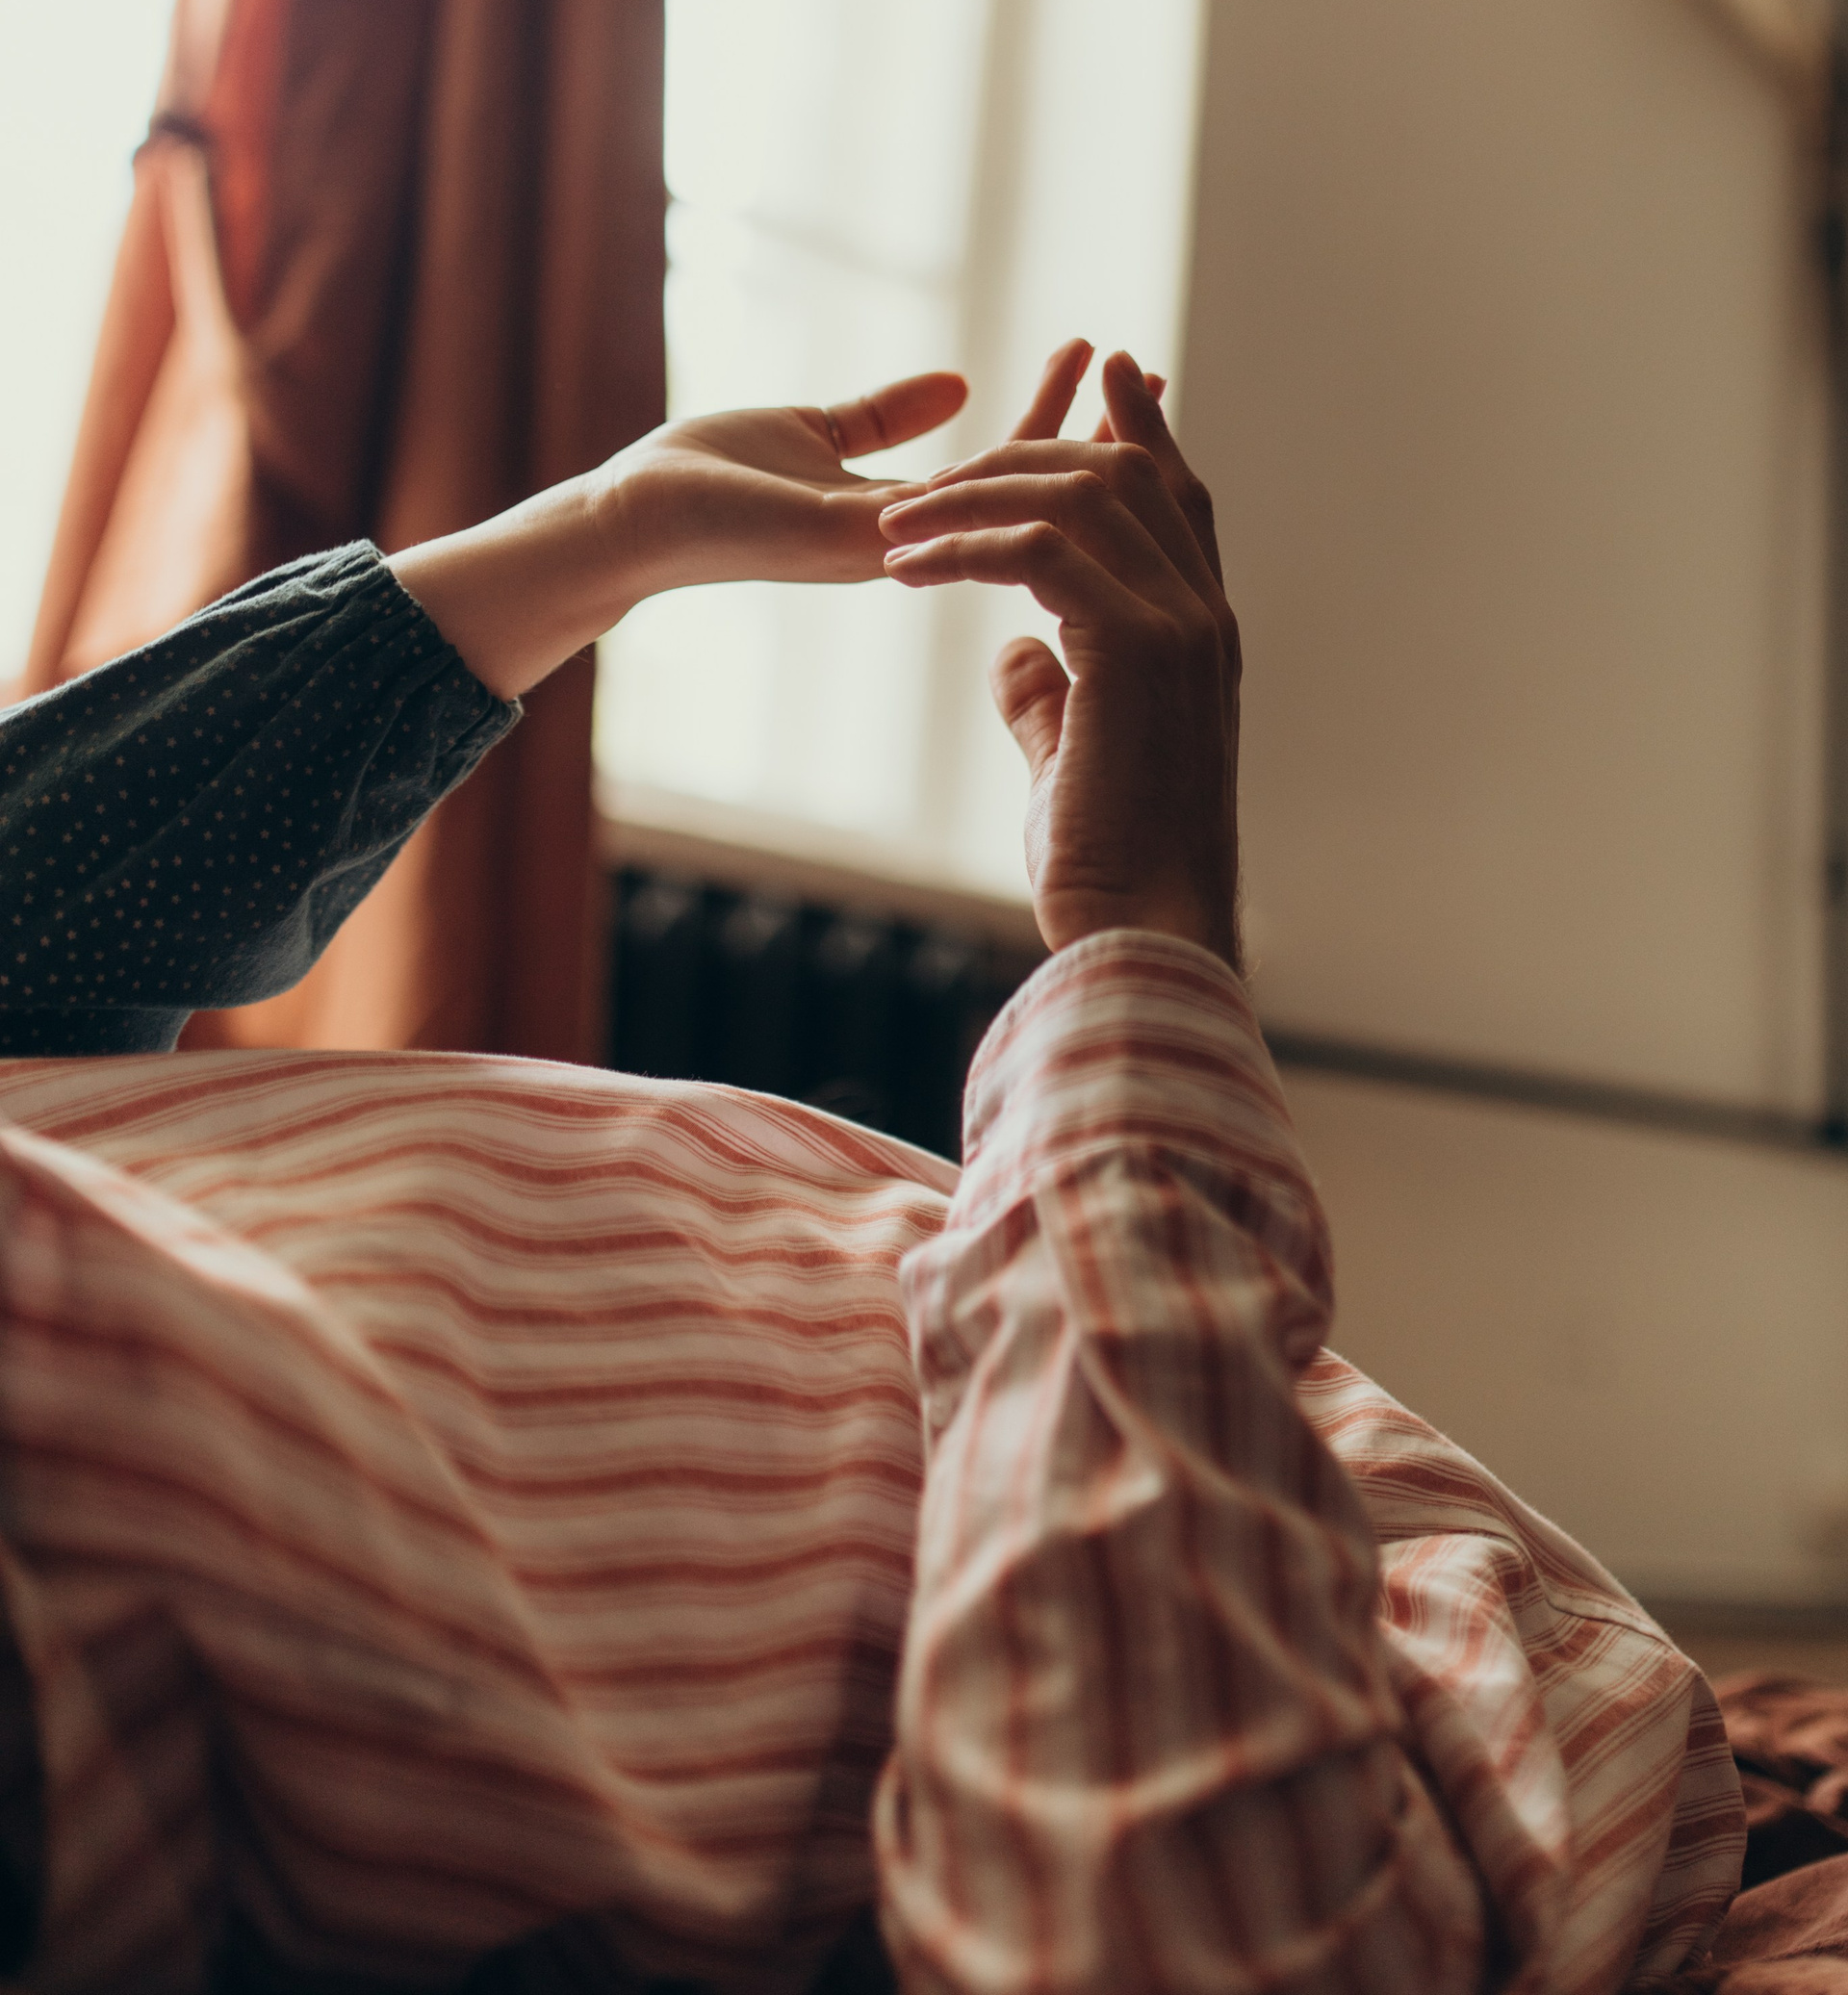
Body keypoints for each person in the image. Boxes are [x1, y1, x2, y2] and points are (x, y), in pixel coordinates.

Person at [0, 345, 1742, 1993]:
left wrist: (598, 538)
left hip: (1270, 1478)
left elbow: (44, 933)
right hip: (1356, 1673)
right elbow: (1158, 1917)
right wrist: (1146, 939)